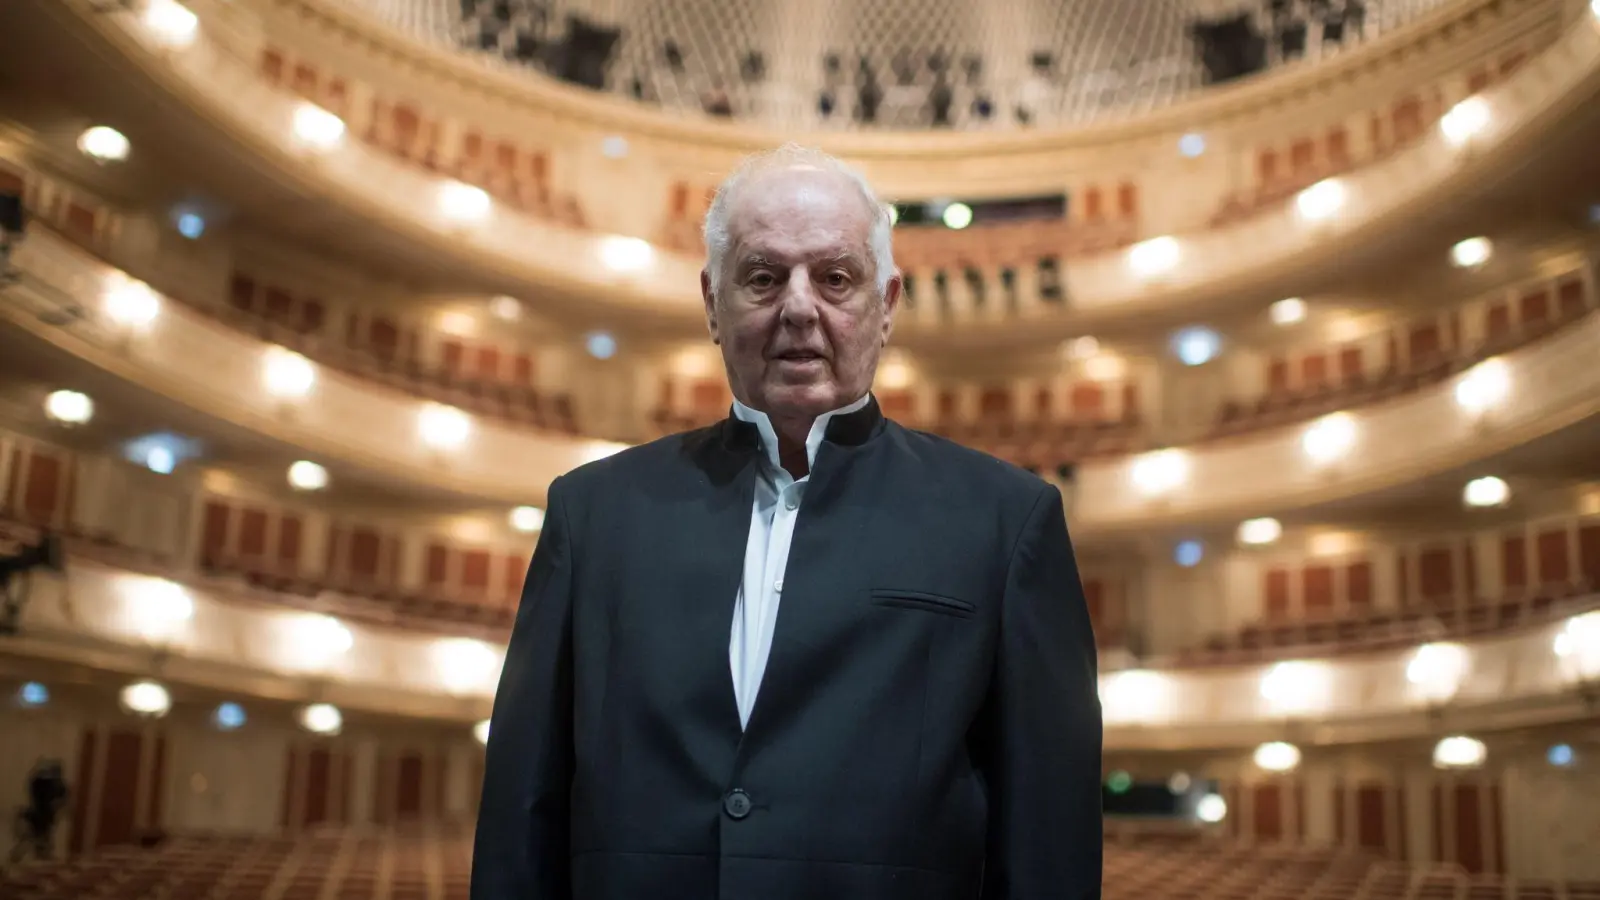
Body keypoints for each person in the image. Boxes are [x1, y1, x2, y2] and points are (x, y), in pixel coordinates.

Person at [472, 144, 1102, 900]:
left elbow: (1047, 852)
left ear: (887, 304)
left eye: (835, 277)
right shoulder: (590, 514)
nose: (799, 306)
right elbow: (521, 822)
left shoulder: (1008, 522)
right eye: (764, 277)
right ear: (712, 302)